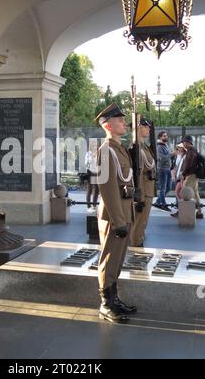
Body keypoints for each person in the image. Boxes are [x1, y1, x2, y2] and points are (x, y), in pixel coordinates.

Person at [96, 103, 136, 324]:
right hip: (114, 215)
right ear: (109, 125)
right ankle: (106, 304)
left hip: (125, 211)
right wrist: (119, 219)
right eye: (120, 120)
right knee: (109, 260)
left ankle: (115, 299)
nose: (124, 123)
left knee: (118, 259)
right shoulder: (105, 150)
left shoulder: (119, 149)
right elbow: (107, 187)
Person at [130, 118, 156, 247]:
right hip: (143, 191)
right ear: (138, 128)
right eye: (146, 126)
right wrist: (139, 196)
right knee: (138, 224)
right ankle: (135, 250)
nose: (149, 129)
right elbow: (137, 173)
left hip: (148, 189)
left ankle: (137, 244)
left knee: (142, 223)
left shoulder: (144, 146)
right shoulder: (136, 147)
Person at [182, 135, 204, 219]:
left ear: (187, 142)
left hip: (190, 175)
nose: (183, 144)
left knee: (185, 192)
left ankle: (187, 213)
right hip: (194, 175)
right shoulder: (194, 151)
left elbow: (188, 165)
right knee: (195, 193)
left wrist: (183, 173)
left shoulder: (190, 152)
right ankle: (199, 212)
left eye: (184, 142)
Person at [153, 131, 173, 211]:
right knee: (163, 188)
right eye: (164, 136)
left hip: (167, 169)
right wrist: (172, 154)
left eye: (166, 135)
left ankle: (158, 202)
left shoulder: (165, 145)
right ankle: (163, 204)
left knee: (168, 188)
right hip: (162, 170)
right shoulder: (159, 147)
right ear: (160, 137)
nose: (166, 137)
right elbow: (161, 159)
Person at [170, 143, 186, 218]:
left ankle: (181, 210)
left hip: (182, 177)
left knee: (179, 192)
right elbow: (176, 166)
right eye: (178, 147)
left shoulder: (185, 156)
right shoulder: (178, 156)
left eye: (180, 147)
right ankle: (181, 209)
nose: (178, 149)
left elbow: (183, 167)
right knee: (177, 192)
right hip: (179, 177)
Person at [85, 144, 99, 213]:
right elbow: (87, 163)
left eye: (96, 147)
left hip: (97, 173)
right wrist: (93, 157)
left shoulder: (98, 153)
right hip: (91, 173)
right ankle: (88, 206)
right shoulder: (88, 154)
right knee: (90, 190)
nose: (95, 148)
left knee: (96, 190)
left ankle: (94, 205)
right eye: (94, 146)